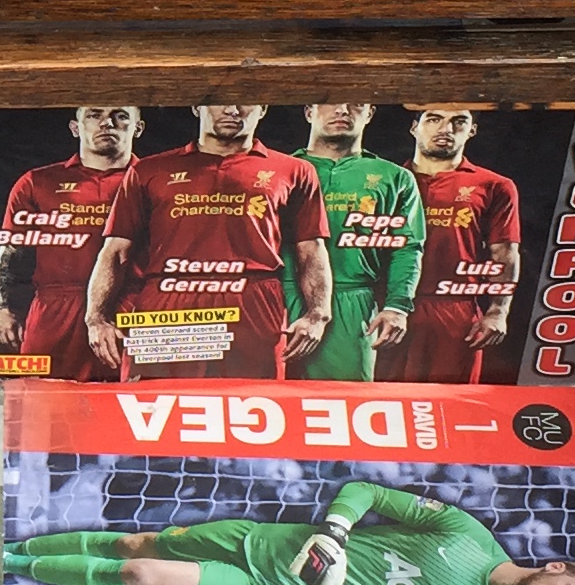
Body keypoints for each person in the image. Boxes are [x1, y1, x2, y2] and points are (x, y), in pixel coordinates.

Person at [4, 479, 575, 585]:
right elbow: (368, 492)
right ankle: (13, 553)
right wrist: (336, 532)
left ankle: (7, 564)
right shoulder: (466, 531)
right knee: (137, 546)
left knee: (139, 574)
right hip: (268, 543)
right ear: (556, 568)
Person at [82, 103, 332, 379]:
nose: (233, 110)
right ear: (197, 107)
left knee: (249, 404)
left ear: (262, 109)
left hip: (251, 301)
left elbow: (311, 250)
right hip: (169, 301)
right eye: (221, 101)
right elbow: (116, 251)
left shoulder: (294, 170)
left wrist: (317, 314)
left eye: (245, 101)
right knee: (154, 405)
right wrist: (96, 318)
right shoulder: (149, 170)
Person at [0, 106, 143, 380]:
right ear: (75, 127)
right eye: (94, 115)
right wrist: (1, 307)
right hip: (55, 308)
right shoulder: (37, 182)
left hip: (132, 306)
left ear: (138, 128)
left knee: (132, 406)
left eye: (120, 115)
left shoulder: (155, 179)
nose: (106, 123)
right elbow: (13, 252)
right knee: (41, 405)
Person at [379, 106, 521, 384]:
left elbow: (504, 252)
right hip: (386, 304)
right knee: (379, 398)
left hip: (454, 308)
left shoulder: (494, 185)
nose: (445, 129)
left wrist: (498, 311)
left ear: (472, 130)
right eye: (434, 119)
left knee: (449, 402)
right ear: (414, 127)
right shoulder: (386, 180)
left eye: (458, 121)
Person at [292, 104, 426, 382]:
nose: (342, 110)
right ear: (308, 112)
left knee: (343, 401)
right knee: (256, 394)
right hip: (277, 294)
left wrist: (397, 306)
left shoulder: (395, 177)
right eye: (331, 102)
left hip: (351, 300)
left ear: (370, 113)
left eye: (355, 103)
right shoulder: (281, 169)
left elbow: (408, 247)